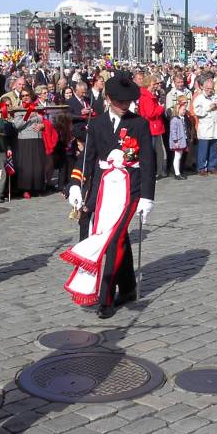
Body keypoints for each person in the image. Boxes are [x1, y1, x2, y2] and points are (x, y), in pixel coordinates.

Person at [64, 74, 155, 319]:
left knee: (113, 241)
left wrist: (147, 197)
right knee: (114, 237)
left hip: (130, 189)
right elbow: (87, 159)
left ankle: (106, 297)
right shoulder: (97, 123)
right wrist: (76, 185)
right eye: (119, 101)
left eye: (128, 101)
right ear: (108, 99)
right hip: (103, 190)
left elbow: (147, 162)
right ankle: (127, 287)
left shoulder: (140, 124)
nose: (125, 106)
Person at [12, 89, 46, 198]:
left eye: (27, 95)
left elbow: (45, 121)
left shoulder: (38, 107)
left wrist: (42, 125)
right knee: (26, 165)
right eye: (23, 96)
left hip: (37, 138)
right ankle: (25, 189)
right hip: (25, 139)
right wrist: (28, 116)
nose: (25, 97)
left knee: (37, 164)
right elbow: (17, 125)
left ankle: (37, 187)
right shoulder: (19, 109)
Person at [192, 74, 217, 175]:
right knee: (203, 150)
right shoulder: (200, 98)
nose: (210, 90)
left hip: (214, 127)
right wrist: (209, 108)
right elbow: (197, 111)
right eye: (208, 88)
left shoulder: (216, 97)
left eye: (211, 88)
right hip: (205, 128)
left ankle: (212, 166)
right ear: (203, 87)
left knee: (213, 149)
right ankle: (201, 167)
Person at [138, 74, 167, 179]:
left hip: (155, 126)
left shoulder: (150, 95)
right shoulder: (147, 97)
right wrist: (161, 108)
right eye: (154, 84)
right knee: (153, 151)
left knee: (158, 151)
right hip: (152, 127)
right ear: (148, 84)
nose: (156, 85)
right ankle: (154, 172)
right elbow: (150, 113)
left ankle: (158, 170)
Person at [169, 97, 189, 180]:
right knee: (177, 157)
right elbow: (173, 131)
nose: (184, 111)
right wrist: (175, 140)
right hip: (178, 141)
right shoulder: (175, 119)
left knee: (179, 156)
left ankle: (179, 172)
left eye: (185, 109)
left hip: (182, 140)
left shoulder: (182, 118)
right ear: (178, 110)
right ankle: (177, 173)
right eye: (183, 110)